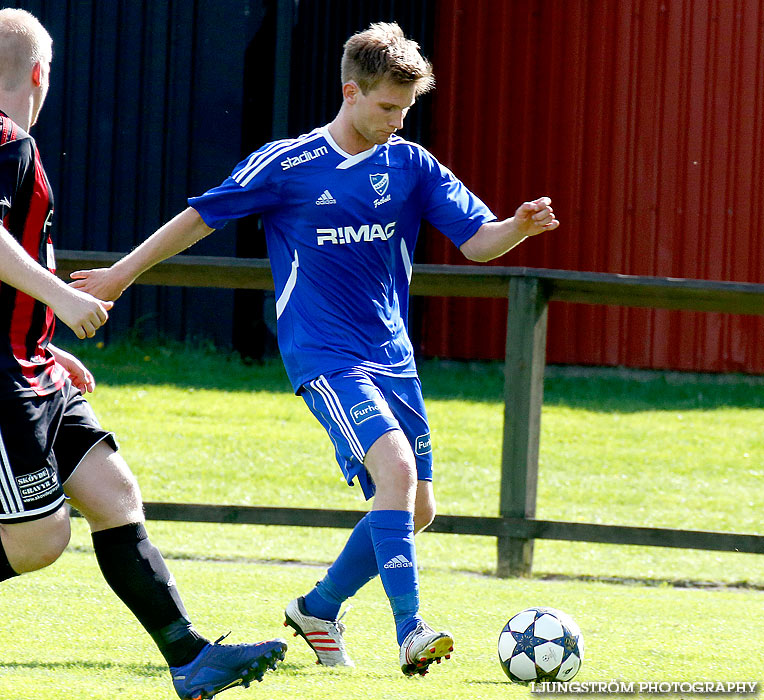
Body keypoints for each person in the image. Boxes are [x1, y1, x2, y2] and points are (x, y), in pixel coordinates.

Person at [72, 21, 559, 677]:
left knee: (416, 508)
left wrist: (517, 229)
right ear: (350, 91)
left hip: (394, 359)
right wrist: (120, 275)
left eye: (406, 109)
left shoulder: (411, 164)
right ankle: (411, 630)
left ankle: (318, 608)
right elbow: (199, 217)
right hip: (326, 355)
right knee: (395, 472)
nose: (397, 120)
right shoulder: (288, 164)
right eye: (388, 107)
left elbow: (477, 242)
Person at [0, 9, 286, 699]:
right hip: (3, 379)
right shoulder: (5, 141)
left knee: (114, 491)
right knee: (39, 540)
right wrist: (62, 301)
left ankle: (188, 658)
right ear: (41, 73)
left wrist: (42, 337)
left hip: (33, 365)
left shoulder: (18, 146)